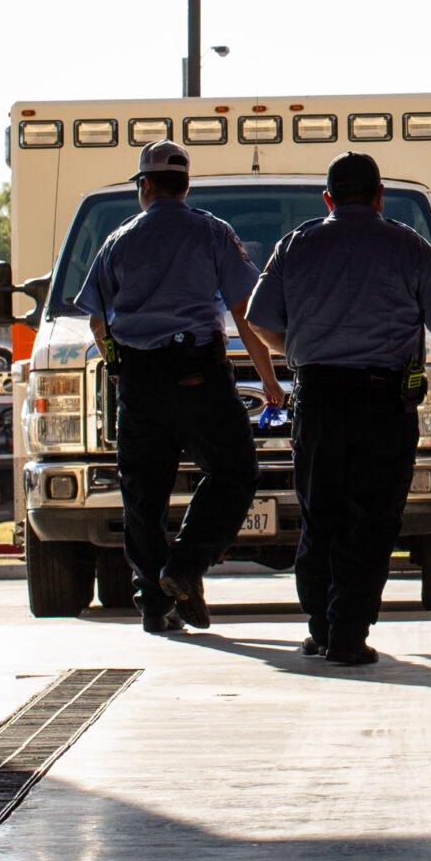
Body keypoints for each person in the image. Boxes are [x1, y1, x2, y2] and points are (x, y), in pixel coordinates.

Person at [242, 152, 431, 667]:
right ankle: (348, 630)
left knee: (320, 513)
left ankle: (323, 628)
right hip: (382, 403)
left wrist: (298, 348)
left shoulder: (296, 244)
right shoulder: (408, 246)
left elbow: (258, 320)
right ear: (379, 196)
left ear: (327, 198)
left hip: (319, 397)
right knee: (372, 517)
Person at [74, 139, 287, 635]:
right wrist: (270, 380)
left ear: (145, 186)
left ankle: (153, 604)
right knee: (234, 473)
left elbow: (98, 324)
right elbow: (245, 313)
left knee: (142, 498)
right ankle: (185, 567)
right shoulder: (213, 233)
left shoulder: (118, 242)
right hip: (199, 376)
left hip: (140, 382)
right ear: (185, 185)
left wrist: (117, 366)